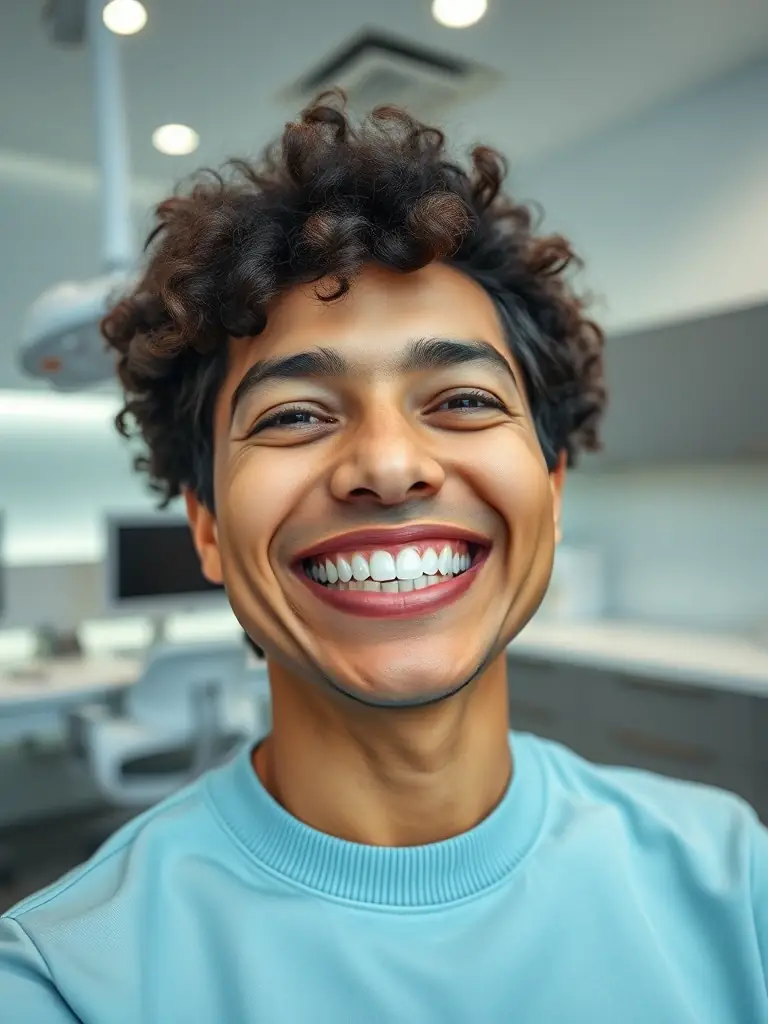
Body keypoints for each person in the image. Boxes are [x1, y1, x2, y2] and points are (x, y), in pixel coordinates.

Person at [1, 93, 766, 1023]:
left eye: (464, 401)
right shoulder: (63, 979)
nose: (391, 466)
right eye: (293, 416)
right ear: (205, 526)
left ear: (552, 491)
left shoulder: (736, 886)